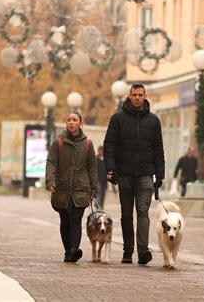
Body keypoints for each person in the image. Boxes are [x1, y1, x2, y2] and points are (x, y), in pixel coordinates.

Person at [104, 83, 165, 265]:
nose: (137, 98)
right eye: (134, 95)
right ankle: (128, 250)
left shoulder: (154, 121)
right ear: (129, 96)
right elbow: (109, 146)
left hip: (146, 174)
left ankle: (143, 250)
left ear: (145, 96)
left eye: (140, 95)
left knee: (143, 212)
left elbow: (158, 149)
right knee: (126, 213)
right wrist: (110, 169)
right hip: (124, 174)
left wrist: (160, 174)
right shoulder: (118, 119)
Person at [46, 112, 98, 263]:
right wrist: (50, 181)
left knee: (76, 219)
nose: (71, 122)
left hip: (80, 189)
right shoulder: (58, 142)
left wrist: (94, 189)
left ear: (81, 123)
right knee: (65, 220)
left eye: (74, 120)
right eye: (68, 120)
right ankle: (67, 251)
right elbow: (51, 162)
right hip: (62, 188)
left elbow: (92, 167)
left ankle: (75, 250)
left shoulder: (88, 144)